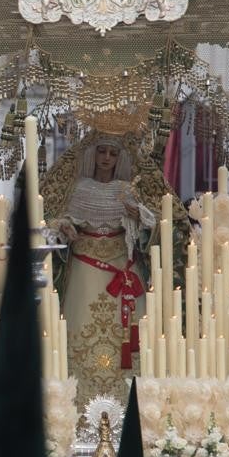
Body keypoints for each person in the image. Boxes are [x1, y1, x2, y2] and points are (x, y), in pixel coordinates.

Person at [45, 132, 160, 406]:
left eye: (112, 153)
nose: (107, 158)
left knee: (128, 334)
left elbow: (149, 230)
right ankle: (82, 398)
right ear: (92, 155)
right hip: (86, 270)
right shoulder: (79, 189)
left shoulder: (127, 190)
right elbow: (57, 223)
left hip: (122, 268)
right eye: (102, 152)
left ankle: (128, 399)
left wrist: (139, 220)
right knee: (82, 325)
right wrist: (64, 228)